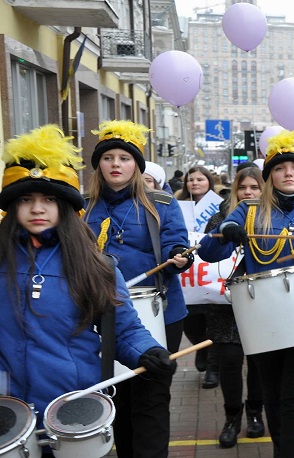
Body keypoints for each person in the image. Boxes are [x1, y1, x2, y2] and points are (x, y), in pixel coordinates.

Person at [0, 125, 176, 457]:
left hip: (72, 410)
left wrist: (146, 351)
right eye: (26, 199)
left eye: (48, 199)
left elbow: (123, 329)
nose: (38, 208)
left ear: (64, 206)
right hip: (9, 414)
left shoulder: (96, 265)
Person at [198, 130, 294, 458]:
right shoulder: (249, 210)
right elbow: (207, 251)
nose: (288, 173)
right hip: (263, 315)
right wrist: (225, 233)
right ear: (269, 177)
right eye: (279, 168)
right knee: (274, 396)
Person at [84, 119, 194, 458]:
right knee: (117, 396)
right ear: (99, 164)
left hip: (159, 311)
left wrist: (179, 256)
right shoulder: (80, 206)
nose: (116, 164)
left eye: (124, 158)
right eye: (108, 158)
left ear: (136, 165)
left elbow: (178, 242)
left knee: (151, 395)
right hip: (104, 314)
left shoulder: (160, 202)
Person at [202, 163, 267, 447]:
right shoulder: (220, 218)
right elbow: (206, 251)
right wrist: (226, 233)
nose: (248, 192)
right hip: (225, 302)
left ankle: (255, 413)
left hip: (262, 299)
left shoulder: (271, 218)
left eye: (255, 187)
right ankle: (232, 417)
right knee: (229, 360)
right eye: (242, 188)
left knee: (258, 361)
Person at [177, 165, 220, 388]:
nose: (194, 183)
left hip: (211, 271)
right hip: (188, 275)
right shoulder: (177, 206)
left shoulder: (220, 206)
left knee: (213, 319)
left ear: (209, 182)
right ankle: (200, 348)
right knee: (191, 324)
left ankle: (213, 368)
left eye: (200, 179)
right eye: (190, 179)